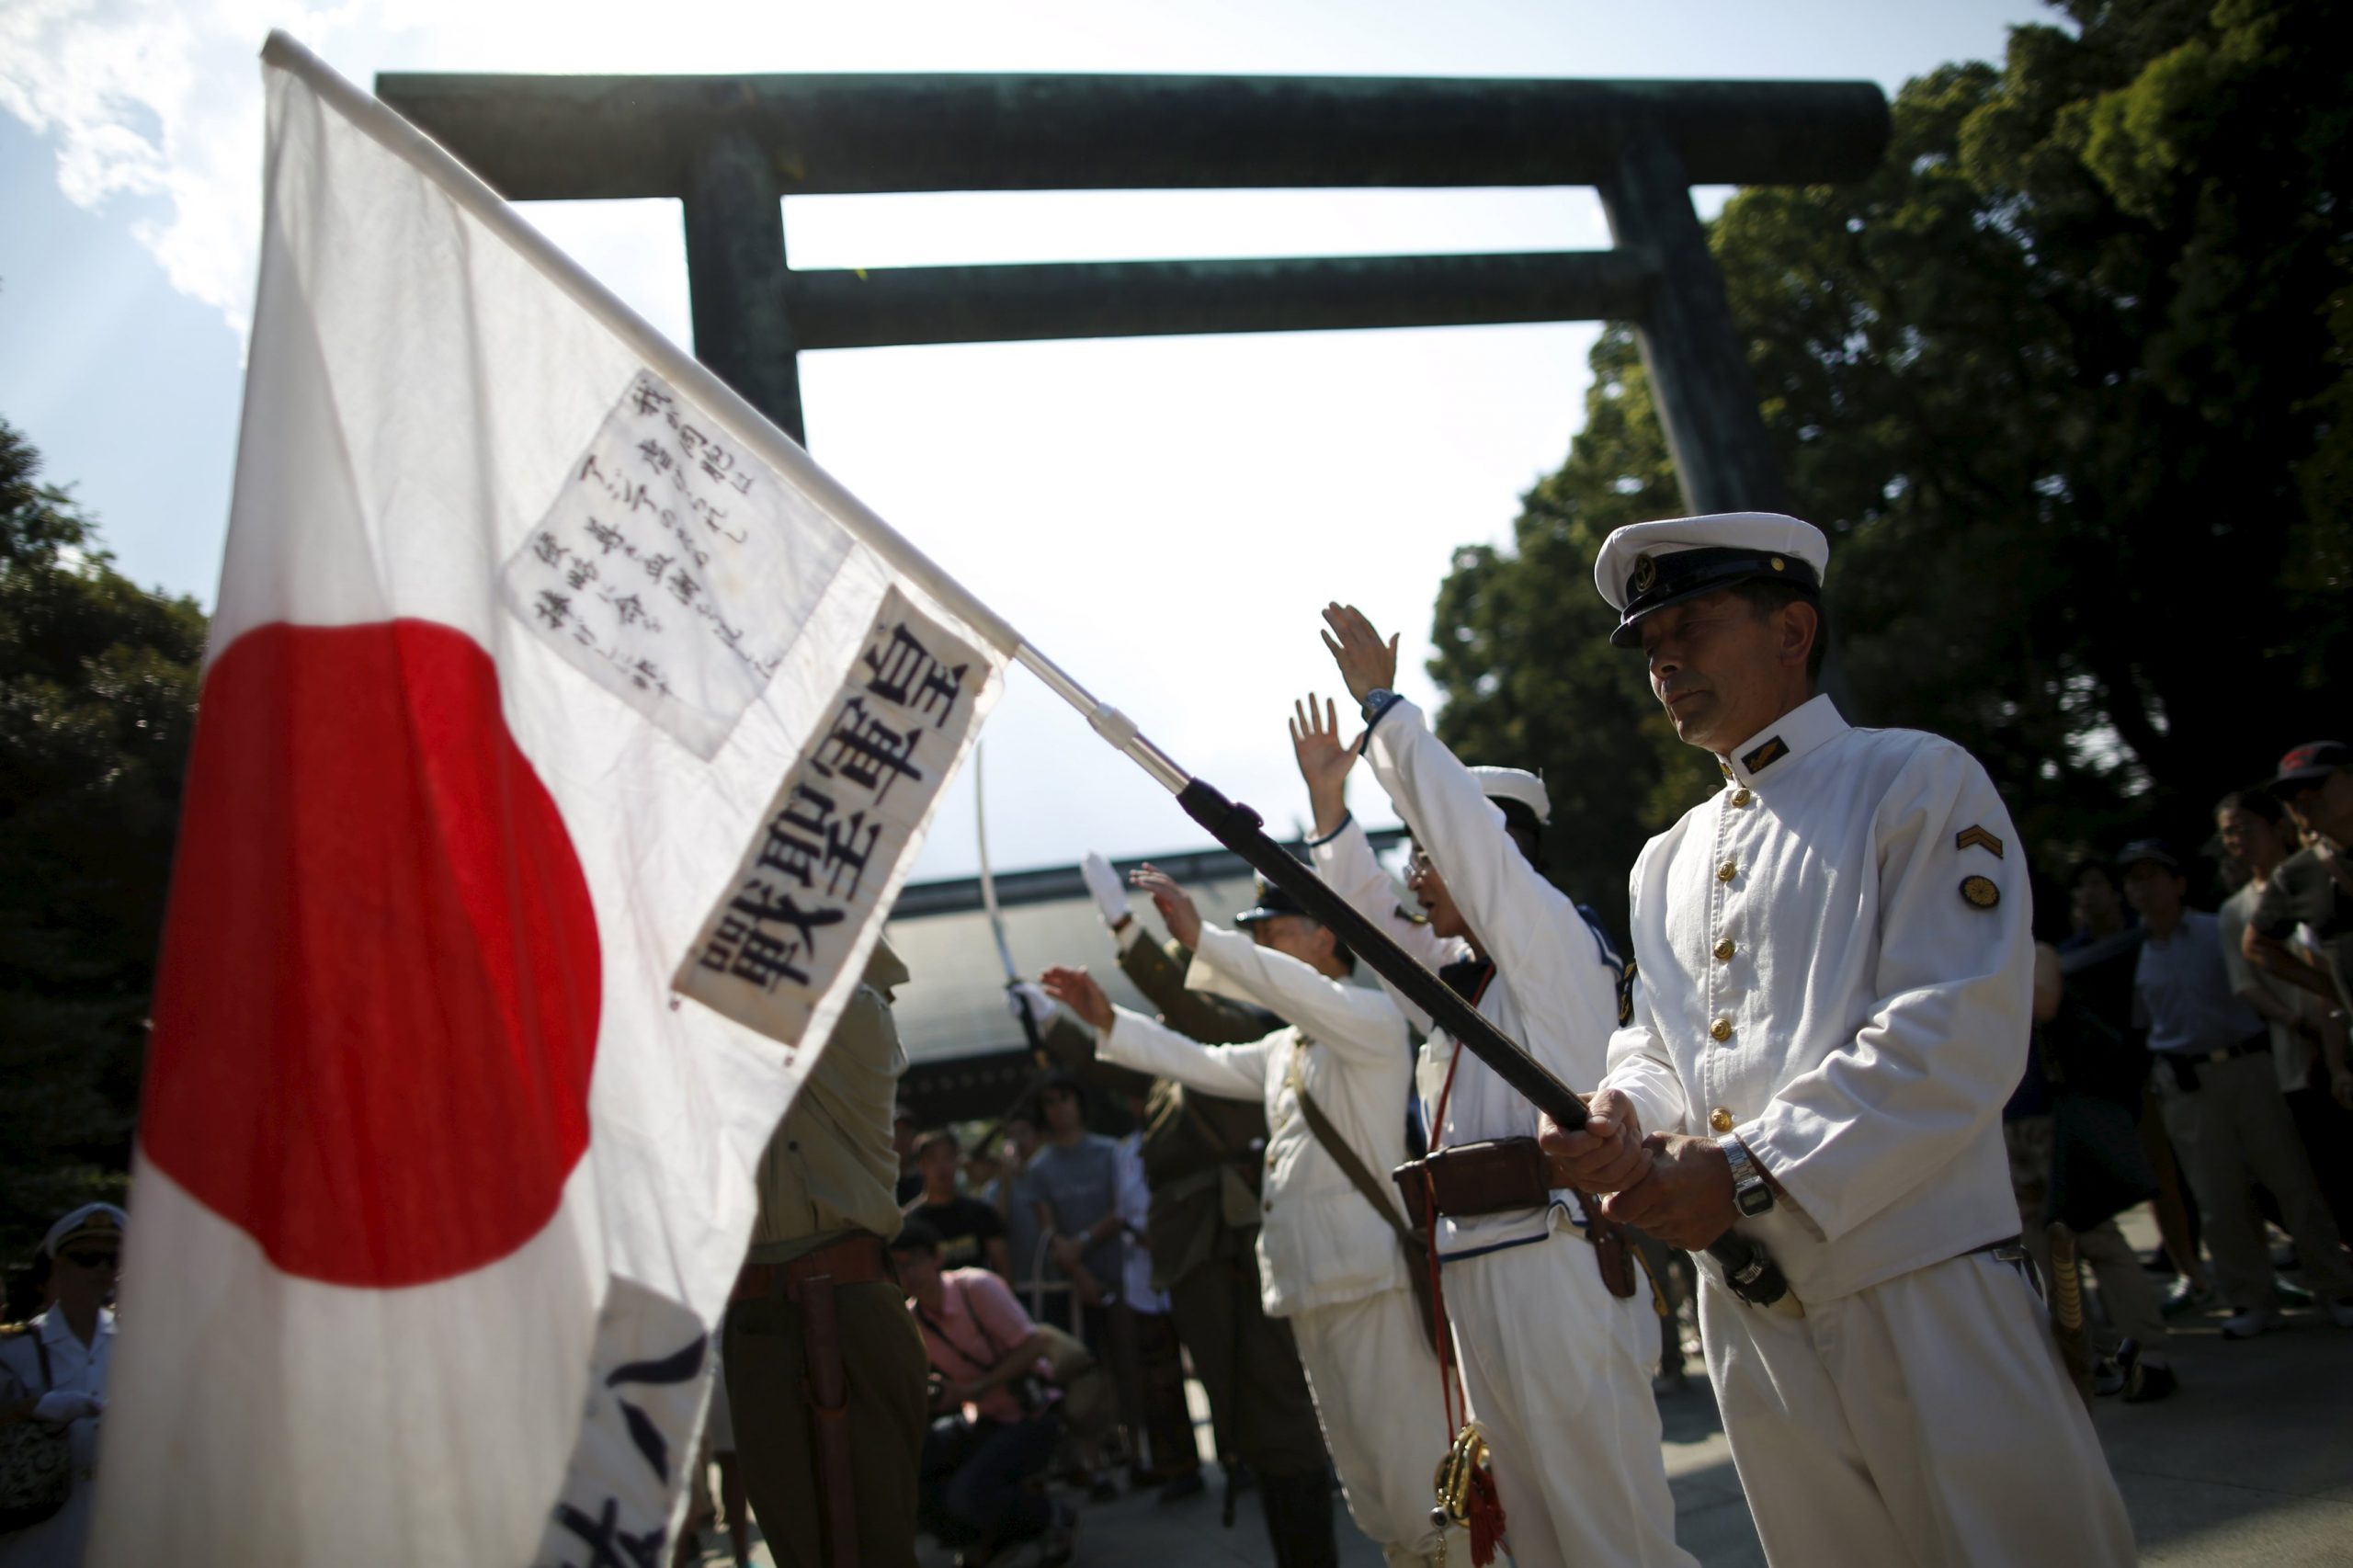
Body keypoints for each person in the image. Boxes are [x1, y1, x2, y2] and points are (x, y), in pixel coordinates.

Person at [1547, 511, 2134, 1564]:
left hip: (1920, 1276)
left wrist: (1743, 1167)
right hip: (1746, 1300)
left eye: (1691, 622)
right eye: (1648, 642)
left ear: (1792, 630)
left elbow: (1953, 1029)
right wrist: (1625, 1112)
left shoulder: (1912, 778)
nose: (1664, 657)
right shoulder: (1662, 860)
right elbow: (1658, 1039)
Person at [1297, 636, 1693, 1568]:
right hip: (1479, 1270)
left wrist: (1386, 710)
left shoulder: (1552, 945)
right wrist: (1328, 809)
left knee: (1609, 1534)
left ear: (1489, 855)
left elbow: (1474, 857)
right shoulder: (1457, 980)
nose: (1415, 876)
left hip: (1553, 1265)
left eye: (1428, 856)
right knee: (1530, 1535)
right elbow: (1368, 915)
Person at [1043, 866, 1457, 1568]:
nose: (1261, 942)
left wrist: (1203, 939)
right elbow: (1200, 1061)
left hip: (1370, 1284)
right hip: (1306, 1287)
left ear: (1329, 936)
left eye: (1274, 930)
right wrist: (1111, 1023)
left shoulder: (1372, 1019)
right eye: (1254, 935)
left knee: (1422, 1486)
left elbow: (1283, 990)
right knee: (1370, 1495)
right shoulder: (1283, 1049)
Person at [1023, 856, 1341, 1564]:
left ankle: (1311, 1548)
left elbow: (1190, 1014)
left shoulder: (1241, 1026)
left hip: (1233, 1237)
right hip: (1197, 1243)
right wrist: (1048, 1022)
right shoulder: (1178, 1061)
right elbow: (1114, 1058)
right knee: (1242, 1414)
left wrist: (1123, 928)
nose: (1172, 1001)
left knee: (1277, 1409)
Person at [725, 940, 928, 1568]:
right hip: (757, 1314)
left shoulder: (859, 1010)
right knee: (797, 1545)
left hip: (851, 1303)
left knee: (877, 1542)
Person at [2120, 838, 2353, 1336]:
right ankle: (2250, 1299)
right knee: (2217, 1196)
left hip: (2246, 1063)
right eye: (2134, 879)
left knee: (2290, 1180)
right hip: (2184, 1078)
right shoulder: (2133, 951)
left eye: (2153, 875)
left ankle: (2334, 1286)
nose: (2144, 887)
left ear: (2178, 882)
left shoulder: (2214, 929)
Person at [893, 1221, 1077, 1567]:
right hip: (984, 1419)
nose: (908, 1273)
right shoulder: (910, 1320)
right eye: (897, 1266)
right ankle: (989, 1538)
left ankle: (1053, 1516)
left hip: (1031, 1414)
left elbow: (1034, 1345)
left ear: (936, 1257)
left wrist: (972, 1389)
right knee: (906, 1477)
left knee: (968, 1495)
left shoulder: (975, 1287)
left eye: (913, 1261)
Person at [2217, 789, 2353, 1233]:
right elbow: (2247, 979)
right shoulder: (2237, 909)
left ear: (2277, 826)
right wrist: (2298, 1019)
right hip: (2297, 1051)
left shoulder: (2317, 873)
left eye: (2245, 828)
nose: (2237, 840)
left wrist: (2335, 999)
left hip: (2340, 1031)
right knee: (2325, 1171)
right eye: (2228, 833)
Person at [0, 1202, 124, 1568]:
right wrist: (31, 1409)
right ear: (59, 1264)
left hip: (118, 1516)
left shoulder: (140, 1346)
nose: (100, 1269)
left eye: (111, 1259)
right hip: (40, 1522)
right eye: (86, 1258)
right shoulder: (16, 1348)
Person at [904, 1130, 1013, 1277]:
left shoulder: (982, 1213)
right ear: (920, 1165)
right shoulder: (908, 1222)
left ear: (957, 1161)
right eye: (933, 1159)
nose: (942, 1167)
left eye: (947, 1157)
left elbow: (1003, 1271)